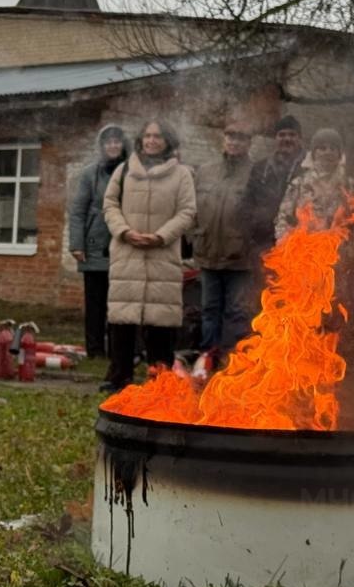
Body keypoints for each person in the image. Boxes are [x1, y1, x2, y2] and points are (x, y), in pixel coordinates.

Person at [101, 120, 197, 392]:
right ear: (140, 139)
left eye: (158, 136)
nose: (152, 141)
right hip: (128, 252)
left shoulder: (181, 175)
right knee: (122, 319)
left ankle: (160, 380)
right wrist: (124, 231)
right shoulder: (123, 171)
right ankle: (118, 376)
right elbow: (109, 205)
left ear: (168, 141)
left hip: (162, 254)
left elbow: (187, 211)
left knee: (161, 322)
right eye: (147, 136)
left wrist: (161, 237)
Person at [191, 122, 254, 355]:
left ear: (249, 143)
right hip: (208, 252)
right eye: (231, 137)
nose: (234, 142)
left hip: (240, 257)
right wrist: (194, 236)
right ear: (223, 139)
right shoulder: (205, 170)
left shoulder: (255, 172)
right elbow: (192, 209)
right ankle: (208, 358)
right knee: (209, 309)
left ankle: (232, 360)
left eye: (240, 138)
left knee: (236, 311)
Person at [69, 124, 130, 358]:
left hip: (123, 245)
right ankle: (94, 349)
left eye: (117, 141)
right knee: (95, 303)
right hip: (95, 246)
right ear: (102, 146)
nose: (113, 146)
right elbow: (78, 210)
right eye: (108, 142)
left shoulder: (130, 172)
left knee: (119, 303)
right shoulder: (89, 174)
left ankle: (118, 349)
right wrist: (77, 244)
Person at [244, 115, 306, 259]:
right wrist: (252, 237)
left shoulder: (309, 168)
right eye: (282, 134)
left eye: (292, 134)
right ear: (275, 138)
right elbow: (246, 203)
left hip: (299, 246)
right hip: (264, 245)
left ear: (299, 138)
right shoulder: (261, 168)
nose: (287, 139)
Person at [274, 127, 350, 240]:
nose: (328, 152)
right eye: (322, 148)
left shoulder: (349, 185)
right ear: (314, 153)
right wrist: (283, 243)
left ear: (339, 154)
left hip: (339, 249)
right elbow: (284, 217)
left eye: (333, 148)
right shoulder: (299, 184)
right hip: (305, 248)